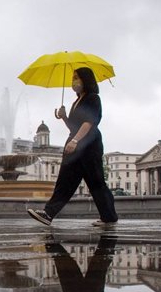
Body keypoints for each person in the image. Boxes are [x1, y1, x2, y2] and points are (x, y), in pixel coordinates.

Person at [28, 67, 118, 227]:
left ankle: (109, 217)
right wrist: (64, 118)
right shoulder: (76, 101)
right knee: (65, 180)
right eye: (72, 78)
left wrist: (75, 141)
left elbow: (88, 123)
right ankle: (48, 213)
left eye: (76, 77)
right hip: (75, 144)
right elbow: (74, 127)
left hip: (89, 144)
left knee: (96, 182)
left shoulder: (93, 98)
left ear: (85, 79)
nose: (73, 81)